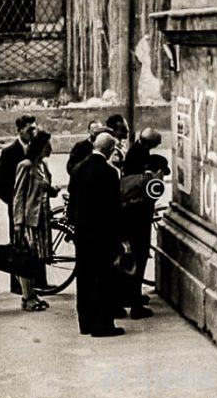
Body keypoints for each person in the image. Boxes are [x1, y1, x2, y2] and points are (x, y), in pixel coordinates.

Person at [68, 132, 125, 337]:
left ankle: (86, 322)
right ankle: (103, 325)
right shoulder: (109, 173)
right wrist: (119, 238)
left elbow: (72, 203)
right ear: (110, 150)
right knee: (103, 279)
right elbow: (113, 209)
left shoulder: (78, 169)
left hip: (83, 234)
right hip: (103, 235)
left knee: (84, 278)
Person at [0, 115, 38, 294]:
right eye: (29, 129)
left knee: (35, 244)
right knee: (18, 245)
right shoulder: (10, 152)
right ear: (19, 131)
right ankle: (17, 284)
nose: (33, 133)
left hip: (32, 206)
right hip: (18, 206)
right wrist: (11, 200)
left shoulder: (35, 148)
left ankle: (36, 282)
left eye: (34, 128)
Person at [120, 154, 171, 319]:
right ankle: (136, 307)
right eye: (163, 173)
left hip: (122, 229)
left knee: (123, 266)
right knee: (138, 266)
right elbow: (143, 206)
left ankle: (119, 301)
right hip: (138, 230)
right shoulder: (154, 183)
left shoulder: (130, 179)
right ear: (158, 171)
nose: (163, 177)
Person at [13, 130, 58, 311]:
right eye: (48, 146)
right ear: (40, 147)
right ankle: (27, 296)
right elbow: (19, 195)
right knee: (27, 258)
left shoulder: (42, 165)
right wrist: (18, 222)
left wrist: (51, 189)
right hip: (30, 219)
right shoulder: (25, 165)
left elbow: (43, 187)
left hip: (43, 217)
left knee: (36, 257)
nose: (51, 149)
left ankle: (31, 293)